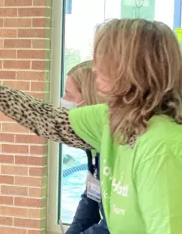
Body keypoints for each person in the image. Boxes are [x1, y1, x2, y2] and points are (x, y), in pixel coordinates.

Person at [0, 19, 182, 233]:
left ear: (134, 68)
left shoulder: (166, 149)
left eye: (103, 60)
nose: (94, 68)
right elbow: (50, 121)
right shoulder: (113, 119)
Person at [62, 61, 109, 234]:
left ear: (89, 99)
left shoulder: (118, 145)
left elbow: (117, 226)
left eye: (69, 95)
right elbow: (91, 197)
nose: (64, 101)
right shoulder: (94, 144)